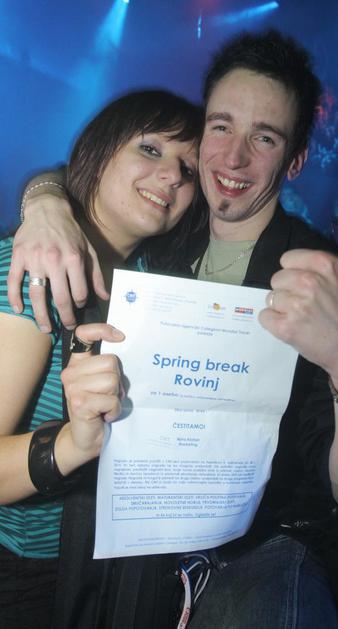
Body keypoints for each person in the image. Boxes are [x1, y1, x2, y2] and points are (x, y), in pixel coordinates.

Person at [9, 30, 338, 629]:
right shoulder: (167, 235)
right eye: (221, 127)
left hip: (263, 542)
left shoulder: (315, 279)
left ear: (295, 160)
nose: (234, 158)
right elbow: (88, 177)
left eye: (264, 137)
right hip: (140, 541)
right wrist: (43, 203)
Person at [0, 88, 202, 629]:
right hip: (34, 575)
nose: (173, 175)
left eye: (188, 168)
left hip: (119, 567)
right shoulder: (32, 272)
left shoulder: (156, 284)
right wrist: (71, 443)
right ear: (99, 148)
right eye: (151, 149)